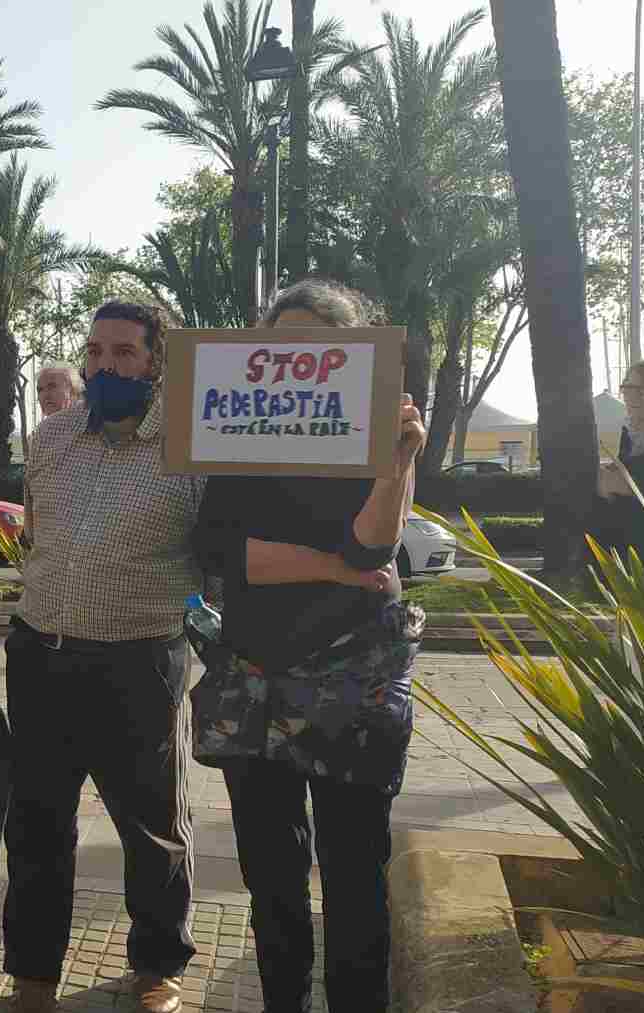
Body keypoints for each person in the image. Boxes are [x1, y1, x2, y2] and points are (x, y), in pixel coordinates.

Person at [193, 279, 425, 1013]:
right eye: (284, 343)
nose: (300, 359)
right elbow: (221, 551)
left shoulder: (379, 431)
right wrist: (334, 565)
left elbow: (378, 543)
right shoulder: (236, 433)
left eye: (320, 347)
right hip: (255, 677)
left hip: (354, 684)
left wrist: (397, 460)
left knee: (357, 877)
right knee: (273, 878)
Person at [1, 302, 202, 1013]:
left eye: (124, 352)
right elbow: (38, 539)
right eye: (95, 350)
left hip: (138, 665)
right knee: (35, 825)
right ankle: (32, 976)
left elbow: (218, 552)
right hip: (40, 657)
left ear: (157, 364)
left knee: (154, 829)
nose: (105, 365)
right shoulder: (51, 437)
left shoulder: (191, 446)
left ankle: (157, 967)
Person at [597, 355, 644, 608]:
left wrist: (629, 486)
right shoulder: (630, 433)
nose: (633, 395)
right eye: (628, 387)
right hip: (632, 550)